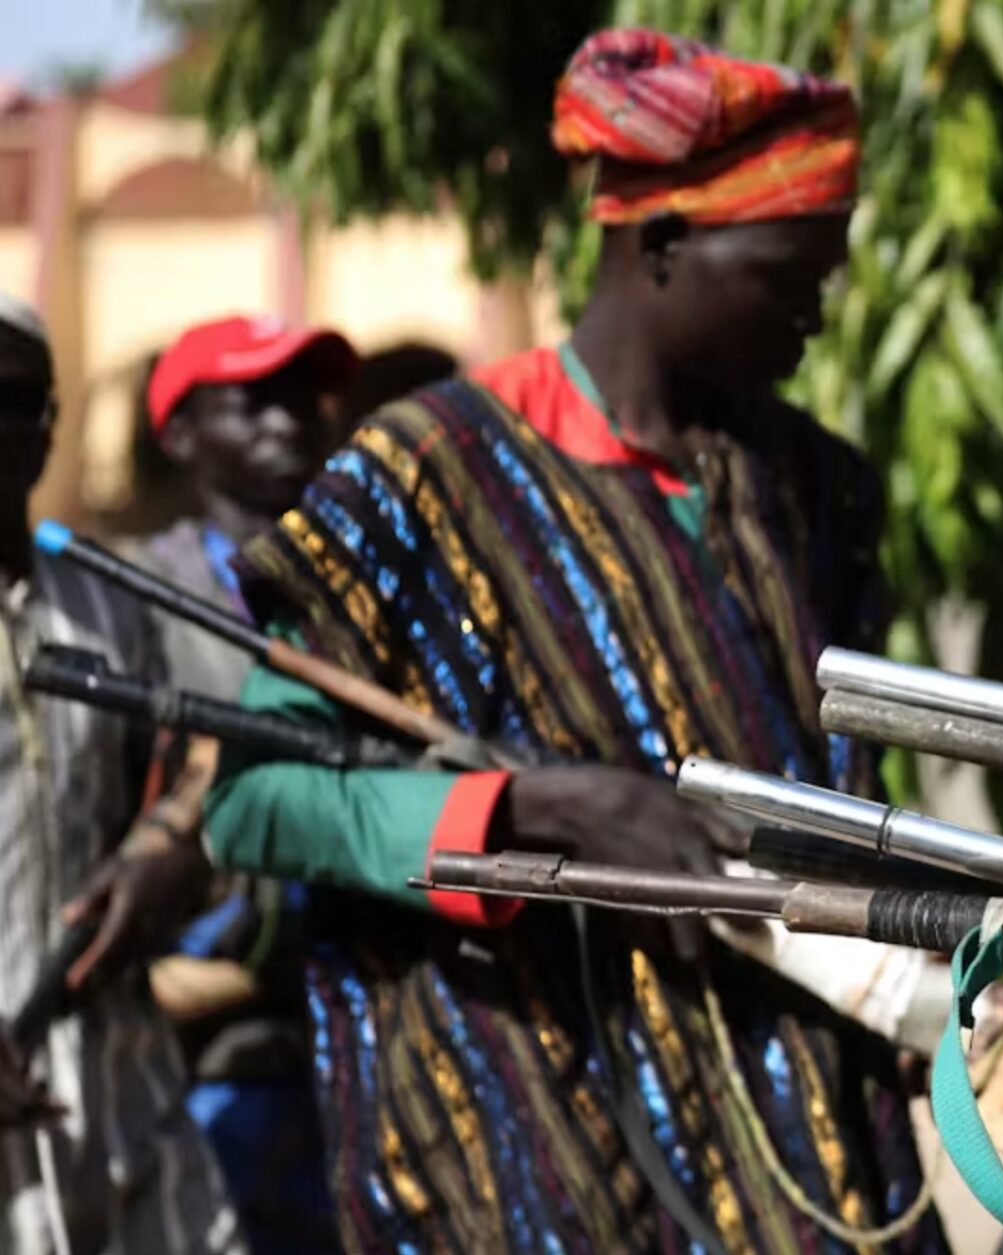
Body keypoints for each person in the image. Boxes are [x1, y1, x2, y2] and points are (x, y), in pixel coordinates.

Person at [200, 31, 942, 1254]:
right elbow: (257, 800)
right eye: (787, 273)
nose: (817, 312)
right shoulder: (421, 473)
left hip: (808, 1131)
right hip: (519, 1127)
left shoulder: (819, 485)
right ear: (661, 247)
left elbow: (856, 795)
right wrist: (532, 808)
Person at [0, 293, 243, 1252]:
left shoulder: (104, 605)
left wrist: (165, 850)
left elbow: (197, 767)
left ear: (49, 427)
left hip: (121, 1081)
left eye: (13, 400)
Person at [121, 315, 356, 1254]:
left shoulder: (363, 584)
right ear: (181, 434)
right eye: (251, 399)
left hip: (359, 1030)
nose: (286, 421)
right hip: (205, 1051)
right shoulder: (134, 600)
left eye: (303, 396)